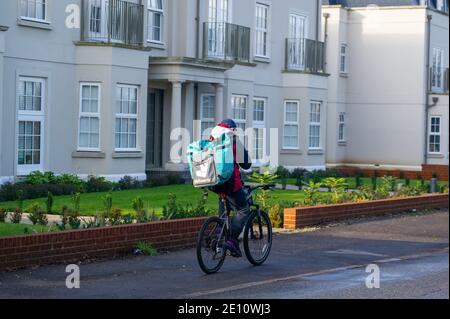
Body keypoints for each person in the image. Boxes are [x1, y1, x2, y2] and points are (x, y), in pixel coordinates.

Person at [209, 119, 252, 258]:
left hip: (214, 182)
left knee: (224, 212)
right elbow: (246, 164)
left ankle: (218, 235)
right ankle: (232, 240)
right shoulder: (232, 139)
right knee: (243, 209)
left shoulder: (212, 138)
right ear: (232, 129)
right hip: (230, 182)